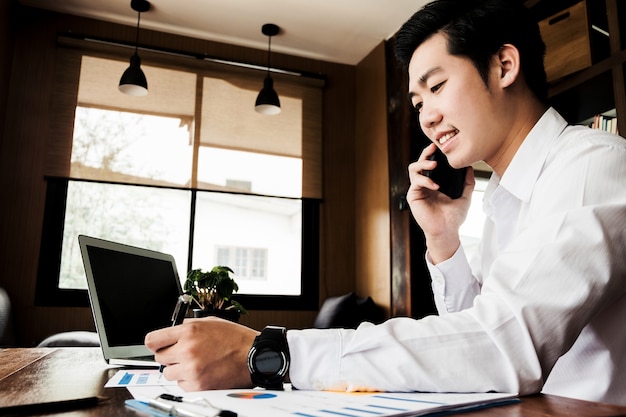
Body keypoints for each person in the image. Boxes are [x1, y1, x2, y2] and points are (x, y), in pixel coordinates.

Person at [145, 0, 626, 406]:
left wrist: (273, 351)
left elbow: (500, 346)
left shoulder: (589, 168)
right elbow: (470, 338)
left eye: (436, 87)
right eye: (417, 103)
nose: (428, 117)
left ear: (504, 65)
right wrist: (442, 238)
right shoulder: (504, 194)